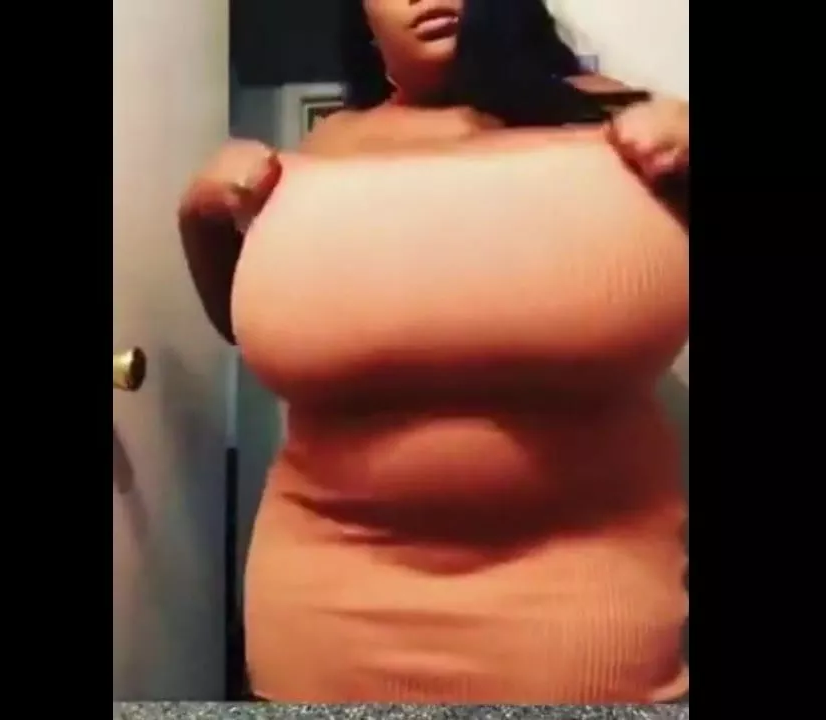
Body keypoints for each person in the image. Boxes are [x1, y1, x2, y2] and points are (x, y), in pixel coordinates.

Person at [179, 0, 689, 704]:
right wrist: (199, 217)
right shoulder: (314, 153)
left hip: (588, 616)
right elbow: (242, 325)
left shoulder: (629, 128)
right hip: (324, 614)